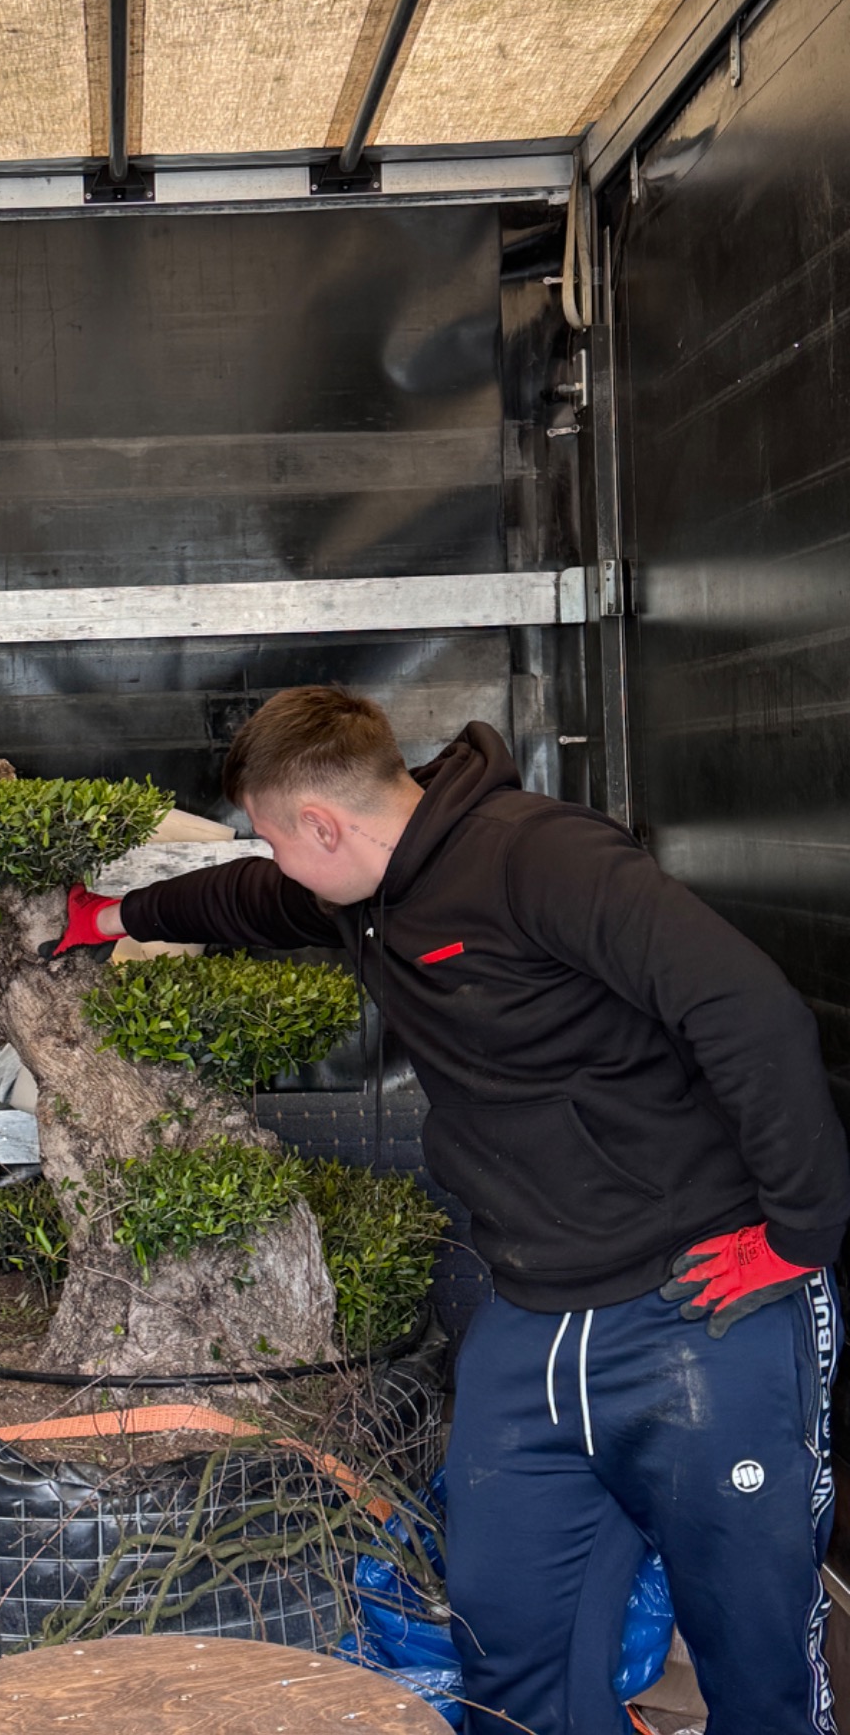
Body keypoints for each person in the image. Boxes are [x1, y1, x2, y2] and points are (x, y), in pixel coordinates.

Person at [48, 684, 850, 1735]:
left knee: (757, 1665)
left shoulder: (537, 856)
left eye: (277, 835)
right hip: (530, 1320)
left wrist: (802, 1232)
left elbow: (747, 1008)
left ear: (323, 824)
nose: (278, 859)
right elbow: (246, 898)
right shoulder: (368, 890)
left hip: (694, 1310)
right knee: (511, 1652)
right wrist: (103, 916)